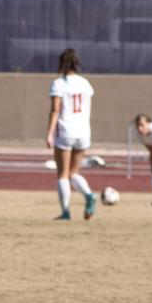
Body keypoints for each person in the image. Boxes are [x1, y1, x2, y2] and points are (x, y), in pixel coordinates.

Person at [48, 48, 97, 221]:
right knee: (73, 173)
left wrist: (49, 132)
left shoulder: (59, 84)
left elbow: (55, 109)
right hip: (83, 131)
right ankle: (89, 195)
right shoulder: (85, 83)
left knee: (62, 174)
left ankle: (66, 211)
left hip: (66, 131)